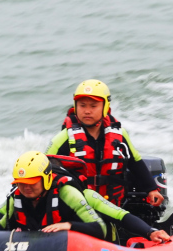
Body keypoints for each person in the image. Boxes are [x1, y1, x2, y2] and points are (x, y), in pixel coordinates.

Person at [46, 79, 165, 208]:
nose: (87, 111)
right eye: (82, 105)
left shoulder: (120, 135)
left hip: (113, 206)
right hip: (78, 208)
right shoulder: (63, 138)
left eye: (93, 106)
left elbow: (135, 163)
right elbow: (43, 169)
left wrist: (151, 189)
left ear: (106, 107)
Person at [0, 151, 106, 239]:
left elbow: (100, 229)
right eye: (21, 183)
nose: (26, 187)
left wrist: (69, 225)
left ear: (45, 178)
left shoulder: (67, 193)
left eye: (32, 182)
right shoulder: (14, 198)